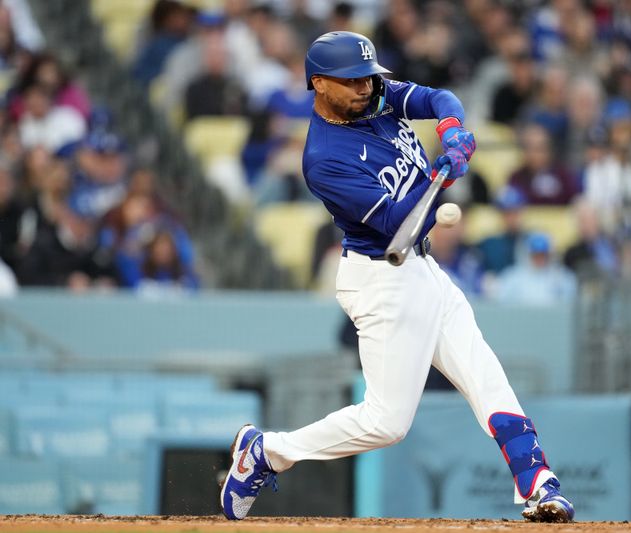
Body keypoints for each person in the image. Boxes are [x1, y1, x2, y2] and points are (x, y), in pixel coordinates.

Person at [219, 31, 574, 523]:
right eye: (352, 81)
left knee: (485, 377)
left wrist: (450, 129)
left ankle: (538, 484)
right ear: (319, 83)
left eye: (369, 76)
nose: (366, 88)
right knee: (386, 423)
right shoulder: (324, 159)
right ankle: (267, 451)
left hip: (425, 271)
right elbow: (402, 227)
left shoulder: (376, 98)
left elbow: (436, 97)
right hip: (382, 277)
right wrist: (441, 175)